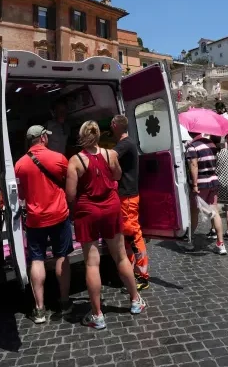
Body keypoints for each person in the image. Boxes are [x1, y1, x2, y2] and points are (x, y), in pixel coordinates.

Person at [66, 121, 146, 330]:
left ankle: (97, 315)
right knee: (120, 255)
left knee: (92, 264)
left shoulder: (75, 161)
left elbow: (71, 195)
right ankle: (136, 300)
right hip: (111, 207)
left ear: (81, 136)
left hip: (87, 211)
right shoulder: (110, 154)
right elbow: (117, 175)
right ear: (99, 135)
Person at [14, 125, 73, 323]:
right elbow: (69, 181)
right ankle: (64, 302)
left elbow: (20, 195)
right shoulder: (59, 158)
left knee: (37, 260)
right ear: (42, 138)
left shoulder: (20, 165)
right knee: (61, 256)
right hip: (59, 215)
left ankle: (39, 309)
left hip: (35, 219)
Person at [111, 115, 148, 290]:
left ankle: (142, 276)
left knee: (133, 235)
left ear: (115, 125)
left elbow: (110, 156)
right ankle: (131, 272)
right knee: (127, 236)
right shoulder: (128, 143)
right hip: (126, 195)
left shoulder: (125, 144)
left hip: (127, 196)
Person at [185, 133, 227, 255]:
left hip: (201, 183)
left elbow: (194, 165)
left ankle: (189, 241)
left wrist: (194, 185)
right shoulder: (211, 144)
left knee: (194, 212)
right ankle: (220, 244)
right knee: (214, 212)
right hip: (213, 181)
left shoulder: (192, 147)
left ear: (190, 133)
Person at [212, 136, 228, 241]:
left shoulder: (215, 154)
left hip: (218, 182)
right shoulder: (227, 153)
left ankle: (213, 230)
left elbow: (213, 168)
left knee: (214, 207)